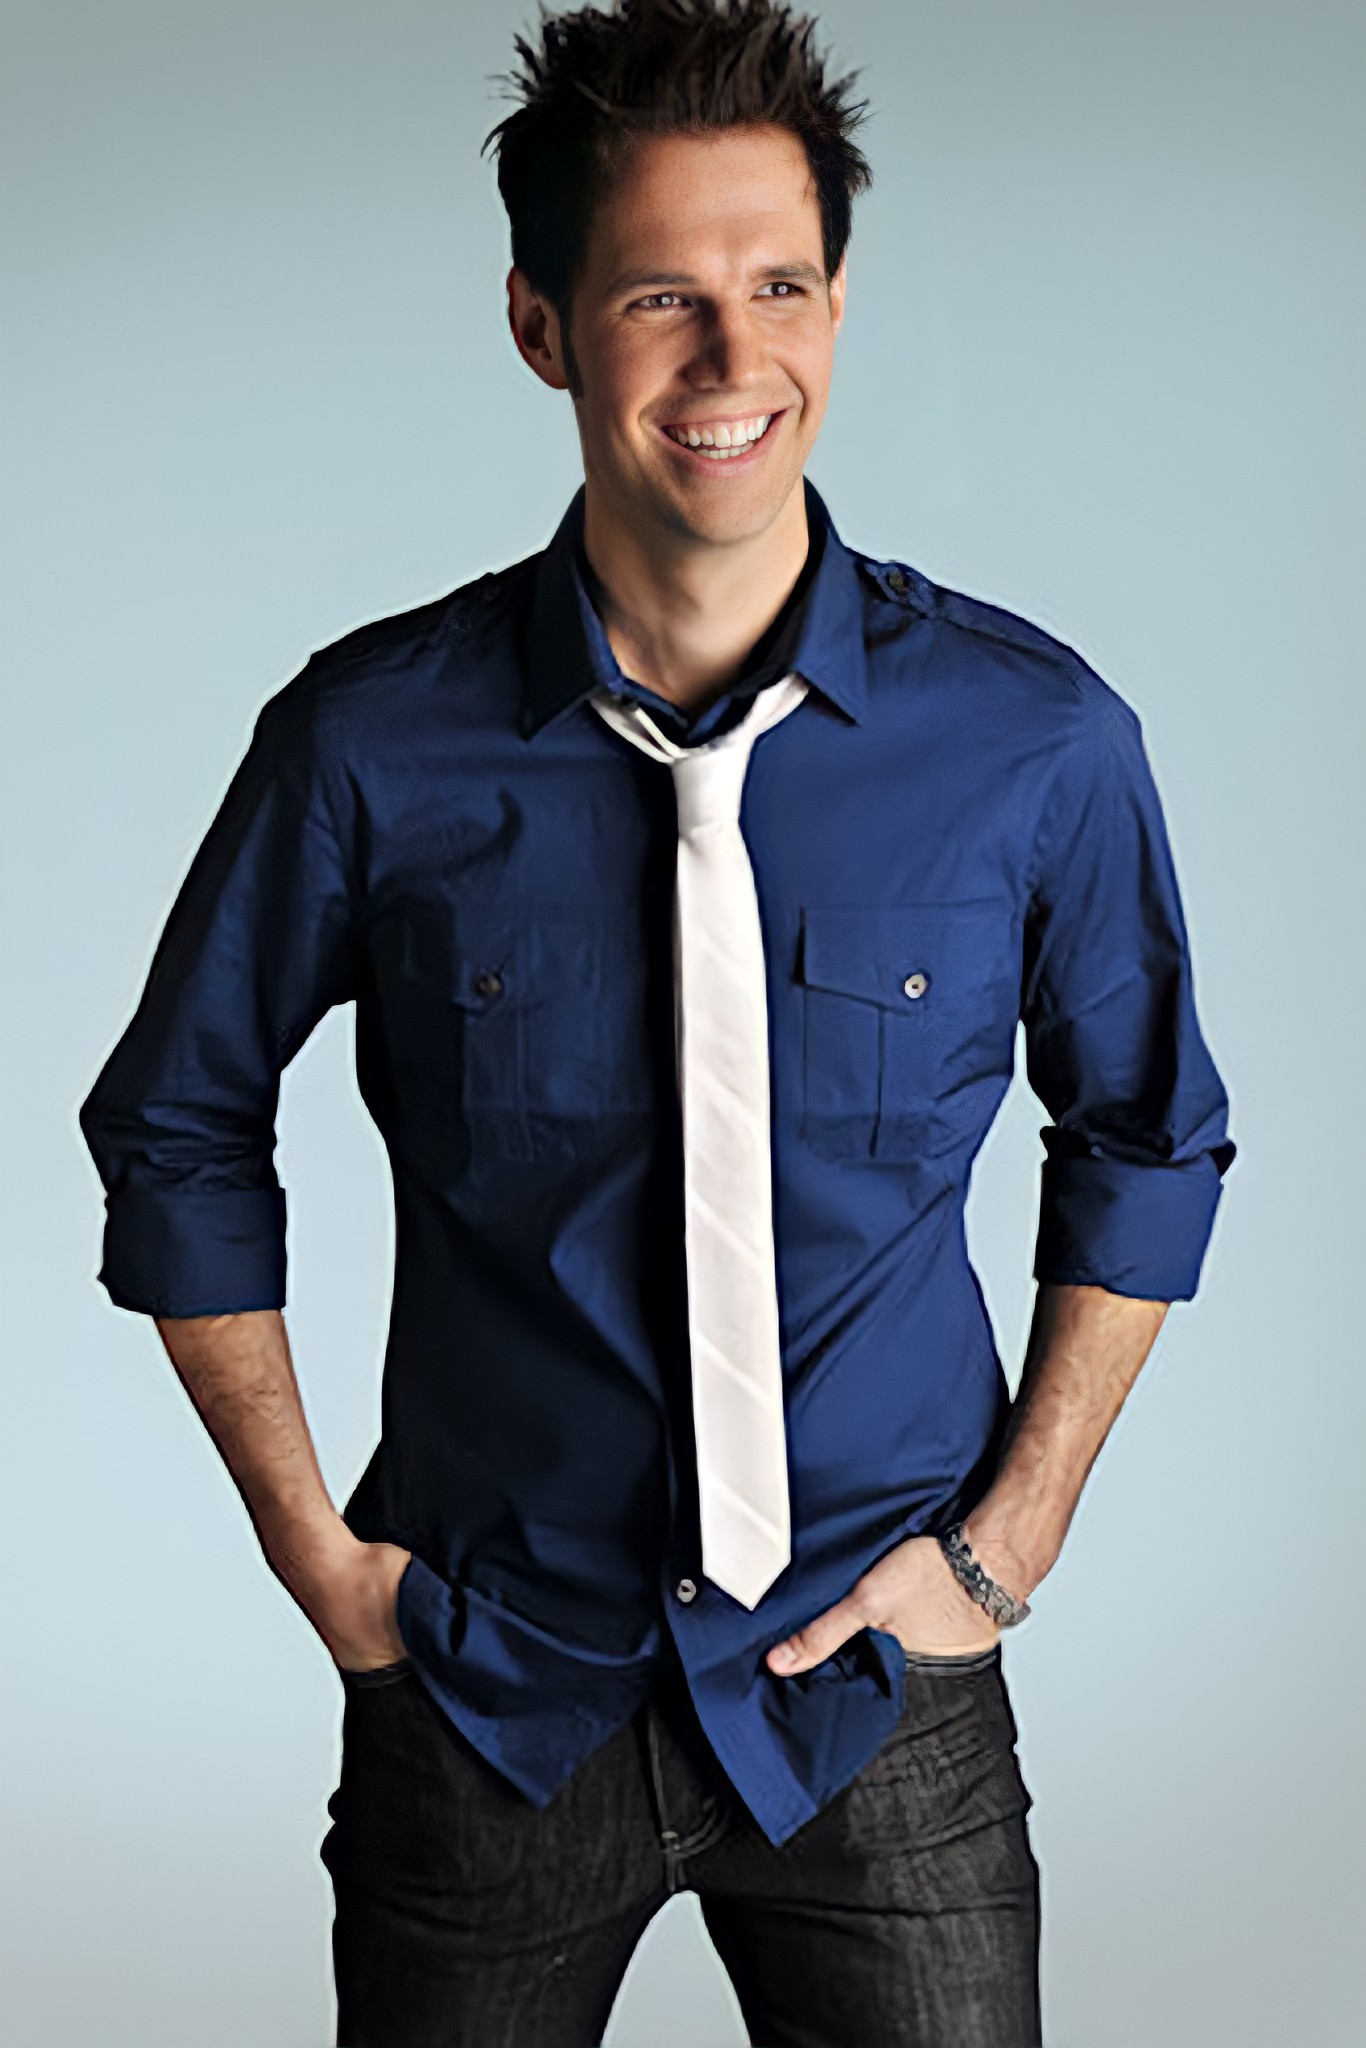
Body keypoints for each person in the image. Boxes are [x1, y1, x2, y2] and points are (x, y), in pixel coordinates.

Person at [77, 2, 1234, 2043]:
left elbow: (1147, 1132)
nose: (730, 361)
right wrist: (320, 1559)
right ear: (541, 326)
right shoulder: (367, 745)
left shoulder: (1032, 742)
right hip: (488, 1697)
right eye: (658, 299)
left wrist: (1006, 1542)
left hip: (881, 1692)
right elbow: (176, 1127)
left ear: (838, 306)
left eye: (777, 287)